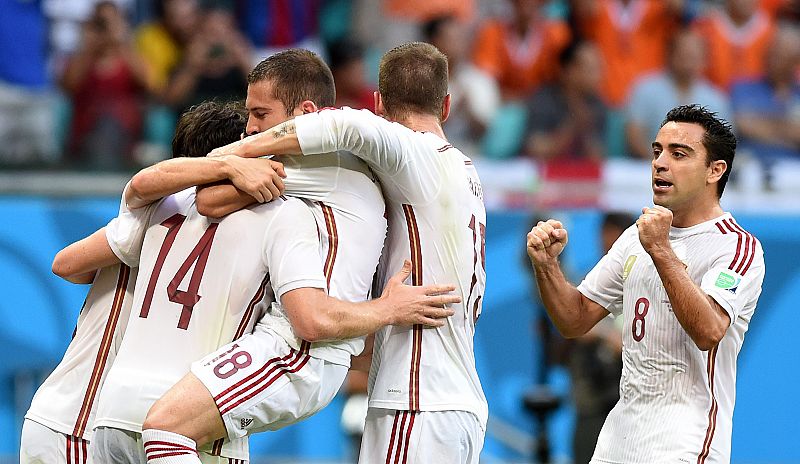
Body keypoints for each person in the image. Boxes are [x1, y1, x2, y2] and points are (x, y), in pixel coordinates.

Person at [86, 49, 457, 464]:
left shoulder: (324, 164)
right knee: (165, 429)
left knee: (165, 429)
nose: (249, 130)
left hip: (306, 346)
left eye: (260, 115)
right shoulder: (314, 175)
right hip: (302, 338)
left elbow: (206, 199)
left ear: (308, 114)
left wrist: (229, 162)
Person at [204, 41, 488, 463]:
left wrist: (230, 156)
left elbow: (347, 127)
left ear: (378, 102)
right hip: (458, 403)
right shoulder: (467, 174)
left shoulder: (414, 153)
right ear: (446, 106)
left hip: (416, 402)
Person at [526, 104, 765, 463]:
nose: (660, 163)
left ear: (715, 171)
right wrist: (546, 266)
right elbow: (573, 320)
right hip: (617, 439)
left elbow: (709, 330)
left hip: (685, 442)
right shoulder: (634, 238)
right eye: (657, 151)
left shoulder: (736, 247)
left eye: (679, 153)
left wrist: (661, 250)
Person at [18, 101, 252, 464]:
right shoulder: (163, 210)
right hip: (78, 423)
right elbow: (65, 263)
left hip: (102, 423)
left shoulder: (193, 216)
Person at [626, 29, 731, 159]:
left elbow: (723, 146)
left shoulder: (716, 100)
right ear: (669, 55)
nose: (688, 62)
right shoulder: (645, 88)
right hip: (650, 167)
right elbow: (634, 135)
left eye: (693, 56)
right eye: (683, 55)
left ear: (705, 59)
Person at [524, 39, 607, 162]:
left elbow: (599, 157)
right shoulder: (544, 99)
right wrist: (572, 127)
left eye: (598, 68)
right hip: (545, 176)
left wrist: (585, 132)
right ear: (569, 70)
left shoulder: (597, 104)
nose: (598, 75)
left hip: (581, 177)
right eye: (590, 69)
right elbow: (534, 149)